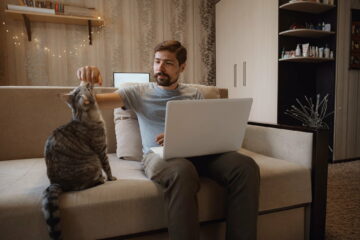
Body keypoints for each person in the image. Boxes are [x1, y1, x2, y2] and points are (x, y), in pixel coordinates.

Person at [77, 40, 260, 240]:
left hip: (197, 152)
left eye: (168, 63)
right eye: (157, 62)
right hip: (159, 156)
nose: (160, 68)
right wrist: (87, 83)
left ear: (182, 67)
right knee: (181, 170)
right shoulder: (137, 92)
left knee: (245, 166)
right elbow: (88, 104)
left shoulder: (194, 94)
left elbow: (201, 127)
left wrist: (185, 135)